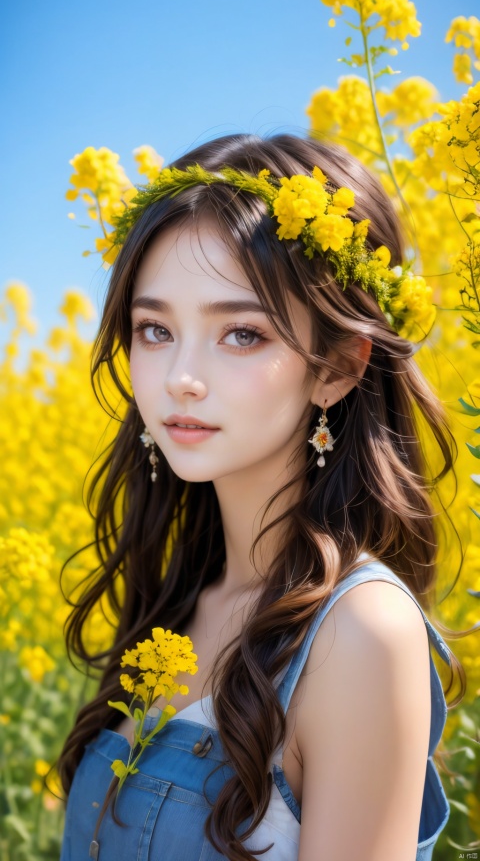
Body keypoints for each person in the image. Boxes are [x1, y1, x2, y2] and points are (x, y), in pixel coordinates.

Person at [57, 133, 463, 861]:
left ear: (337, 369)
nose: (181, 376)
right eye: (155, 330)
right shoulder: (180, 596)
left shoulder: (361, 633)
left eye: (241, 334)